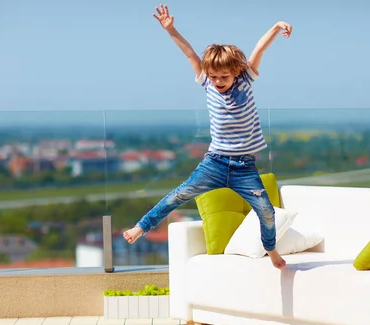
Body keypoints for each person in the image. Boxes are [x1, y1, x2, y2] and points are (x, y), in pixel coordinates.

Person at [123, 3, 292, 269]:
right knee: (179, 195)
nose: (217, 81)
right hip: (214, 163)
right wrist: (171, 29)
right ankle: (141, 226)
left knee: (267, 212)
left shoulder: (246, 78)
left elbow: (259, 49)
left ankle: (271, 250)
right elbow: (190, 53)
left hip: (244, 167)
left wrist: (276, 27)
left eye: (223, 76)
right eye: (213, 76)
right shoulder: (206, 82)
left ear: (236, 70)